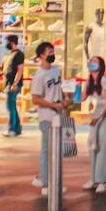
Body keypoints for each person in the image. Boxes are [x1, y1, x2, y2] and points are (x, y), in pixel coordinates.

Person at [30, 40, 65, 190]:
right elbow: (35, 98)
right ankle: (45, 182)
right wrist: (53, 105)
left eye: (53, 52)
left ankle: (53, 181)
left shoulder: (56, 70)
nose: (52, 55)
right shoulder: (39, 76)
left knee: (57, 150)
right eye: (49, 52)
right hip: (47, 116)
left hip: (58, 115)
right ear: (41, 56)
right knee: (47, 149)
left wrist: (64, 100)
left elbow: (59, 87)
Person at [82, 53, 106, 194]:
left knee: (103, 145)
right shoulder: (89, 80)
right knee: (92, 144)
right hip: (96, 112)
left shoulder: (104, 80)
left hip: (105, 113)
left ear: (100, 66)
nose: (92, 63)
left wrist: (100, 116)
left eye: (95, 61)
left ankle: (102, 180)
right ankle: (93, 178)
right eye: (91, 61)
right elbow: (82, 98)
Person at [3, 33, 25, 138]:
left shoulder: (19, 54)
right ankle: (17, 128)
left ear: (12, 42)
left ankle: (12, 129)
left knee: (10, 106)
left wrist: (15, 84)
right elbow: (7, 68)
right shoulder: (9, 54)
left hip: (13, 84)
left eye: (7, 41)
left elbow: (20, 70)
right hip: (8, 83)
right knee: (12, 106)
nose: (5, 44)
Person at [85, 7, 106, 74]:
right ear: (96, 14)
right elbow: (85, 43)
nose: (101, 16)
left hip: (104, 57)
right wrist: (88, 57)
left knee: (104, 76)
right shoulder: (90, 27)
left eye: (102, 14)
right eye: (99, 14)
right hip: (94, 56)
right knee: (94, 75)